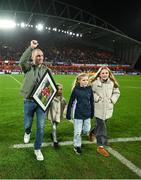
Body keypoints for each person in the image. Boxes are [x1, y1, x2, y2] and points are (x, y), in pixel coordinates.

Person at [19, 40, 50, 161]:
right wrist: (31, 48)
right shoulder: (28, 67)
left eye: (42, 55)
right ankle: (27, 132)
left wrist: (52, 92)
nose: (40, 57)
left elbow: (48, 86)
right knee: (28, 124)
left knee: (41, 127)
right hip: (29, 101)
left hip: (40, 102)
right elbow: (22, 61)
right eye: (38, 55)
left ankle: (37, 149)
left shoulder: (47, 70)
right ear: (33, 57)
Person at [89, 66, 120, 157]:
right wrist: (97, 98)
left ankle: (93, 132)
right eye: (102, 73)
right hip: (98, 108)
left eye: (106, 73)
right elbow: (90, 92)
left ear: (109, 74)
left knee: (101, 124)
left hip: (108, 108)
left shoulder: (112, 83)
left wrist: (112, 100)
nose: (104, 74)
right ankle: (101, 145)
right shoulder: (94, 82)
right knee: (102, 126)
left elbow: (117, 92)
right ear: (99, 74)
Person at [66, 73, 94, 155]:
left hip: (87, 113)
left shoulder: (89, 89)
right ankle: (77, 146)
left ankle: (79, 133)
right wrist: (68, 113)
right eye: (83, 80)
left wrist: (92, 112)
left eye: (87, 80)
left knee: (86, 130)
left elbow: (91, 101)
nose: (86, 81)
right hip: (78, 114)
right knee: (77, 132)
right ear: (79, 81)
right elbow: (71, 102)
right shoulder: (76, 90)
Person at [47, 83, 67, 149]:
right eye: (58, 89)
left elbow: (65, 107)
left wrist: (64, 114)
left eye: (61, 89)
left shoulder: (63, 99)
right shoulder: (51, 98)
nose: (60, 91)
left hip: (58, 116)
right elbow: (46, 104)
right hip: (52, 115)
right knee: (54, 127)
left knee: (55, 126)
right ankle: (55, 141)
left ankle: (52, 134)